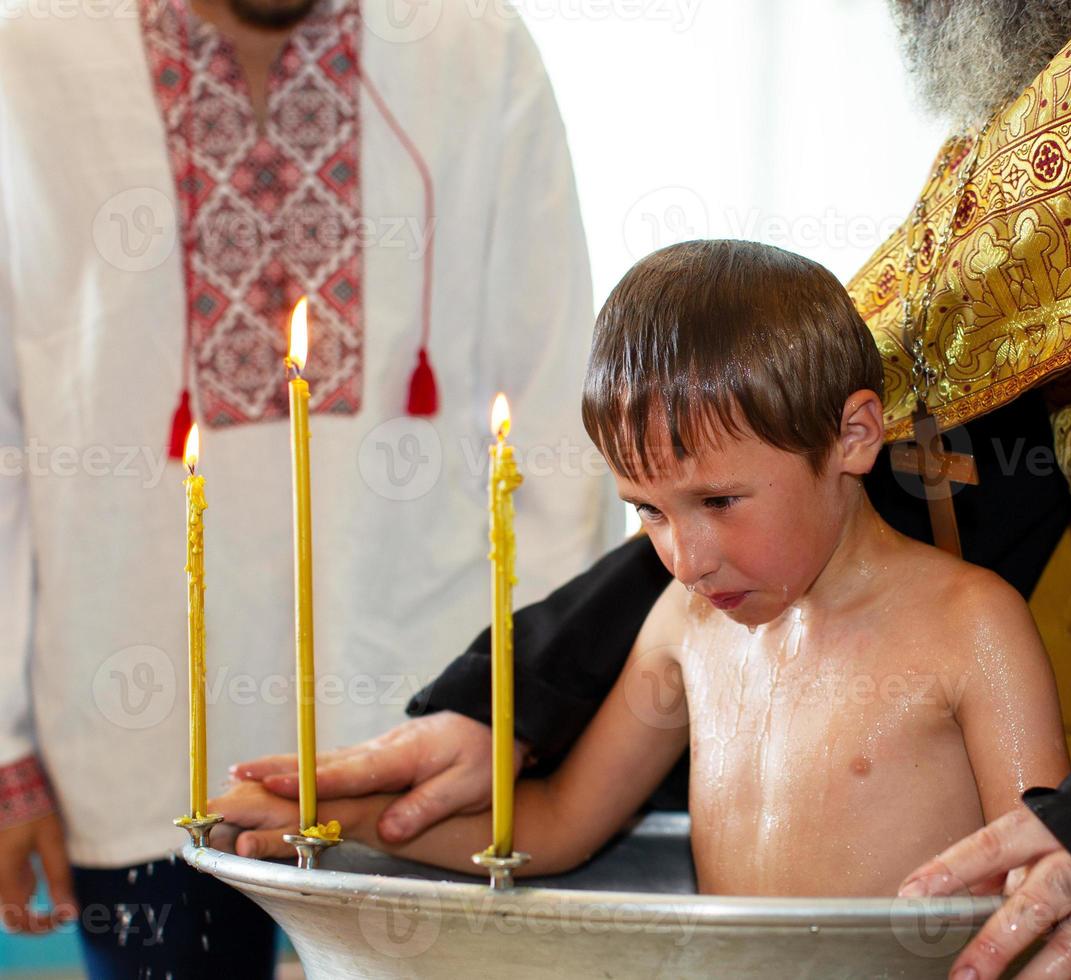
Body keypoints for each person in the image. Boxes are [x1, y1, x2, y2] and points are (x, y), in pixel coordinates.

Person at [238, 0, 1071, 976]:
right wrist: (508, 698)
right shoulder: (1070, 110)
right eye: (647, 513)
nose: (686, 547)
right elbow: (899, 432)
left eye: (704, 510)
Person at [0, 0, 615, 975]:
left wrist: (540, 709)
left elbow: (556, 406)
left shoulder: (470, 42)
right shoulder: (26, 54)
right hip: (134, 724)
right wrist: (4, 744)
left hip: (438, 737)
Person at [216, 240, 1071, 894]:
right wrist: (333, 818)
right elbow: (552, 826)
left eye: (720, 502)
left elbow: (1047, 882)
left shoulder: (969, 627)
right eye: (648, 511)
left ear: (852, 438)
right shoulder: (683, 628)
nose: (684, 559)